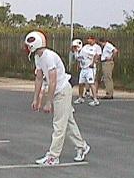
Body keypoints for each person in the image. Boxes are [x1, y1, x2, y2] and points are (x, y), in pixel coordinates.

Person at [25, 31, 90, 166]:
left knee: (59, 125)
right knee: (68, 122)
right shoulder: (38, 57)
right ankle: (82, 146)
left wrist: (48, 102)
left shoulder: (48, 57)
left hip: (62, 91)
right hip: (57, 91)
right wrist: (36, 99)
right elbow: (39, 78)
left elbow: (53, 81)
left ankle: (53, 156)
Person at [73, 38, 100, 106]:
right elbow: (78, 59)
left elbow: (95, 54)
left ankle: (95, 99)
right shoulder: (76, 52)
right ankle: (80, 98)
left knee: (91, 83)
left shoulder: (85, 50)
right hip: (83, 69)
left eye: (75, 47)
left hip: (89, 69)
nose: (74, 48)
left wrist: (92, 63)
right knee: (81, 83)